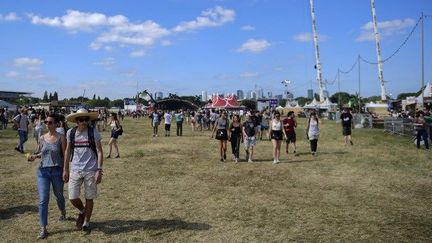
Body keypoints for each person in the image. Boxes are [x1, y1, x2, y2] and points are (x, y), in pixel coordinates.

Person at [27, 113, 67, 239]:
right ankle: (43, 228)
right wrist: (33, 156)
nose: (47, 124)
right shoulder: (42, 137)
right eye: (46, 122)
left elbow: (65, 156)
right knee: (43, 199)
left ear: (56, 124)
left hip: (57, 171)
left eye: (50, 122)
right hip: (43, 172)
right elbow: (40, 152)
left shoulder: (61, 137)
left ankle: (62, 212)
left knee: (59, 195)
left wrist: (66, 170)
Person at [63, 108, 103, 231]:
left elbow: (100, 151)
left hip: (91, 170)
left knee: (89, 197)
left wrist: (99, 170)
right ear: (76, 121)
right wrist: (65, 169)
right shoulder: (71, 133)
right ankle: (82, 210)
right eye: (81, 120)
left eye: (86, 119)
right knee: (72, 197)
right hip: (75, 168)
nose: (84, 122)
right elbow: (68, 150)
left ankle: (86, 222)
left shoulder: (93, 132)